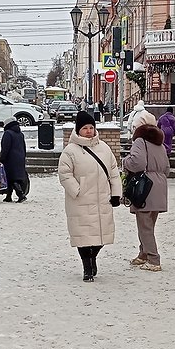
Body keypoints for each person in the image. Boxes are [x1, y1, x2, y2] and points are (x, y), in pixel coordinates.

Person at [58, 111, 119, 282]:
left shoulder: (104, 148)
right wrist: (77, 190)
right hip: (81, 201)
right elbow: (64, 174)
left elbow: (113, 172)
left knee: (101, 235)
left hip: (101, 200)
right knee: (83, 236)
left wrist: (116, 194)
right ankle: (87, 267)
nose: (89, 131)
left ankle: (93, 257)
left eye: (91, 127)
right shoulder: (70, 151)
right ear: (78, 130)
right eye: (85, 128)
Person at [122, 119, 169, 271]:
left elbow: (138, 163)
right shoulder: (159, 144)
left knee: (145, 226)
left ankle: (154, 259)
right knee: (149, 225)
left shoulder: (140, 141)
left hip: (145, 187)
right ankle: (143, 254)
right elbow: (167, 168)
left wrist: (125, 161)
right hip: (159, 186)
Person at [0, 118, 28, 202]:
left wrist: (2, 158)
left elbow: (5, 148)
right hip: (20, 158)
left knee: (11, 178)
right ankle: (9, 196)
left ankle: (20, 195)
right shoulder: (20, 134)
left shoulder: (8, 133)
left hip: (10, 159)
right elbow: (23, 147)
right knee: (13, 177)